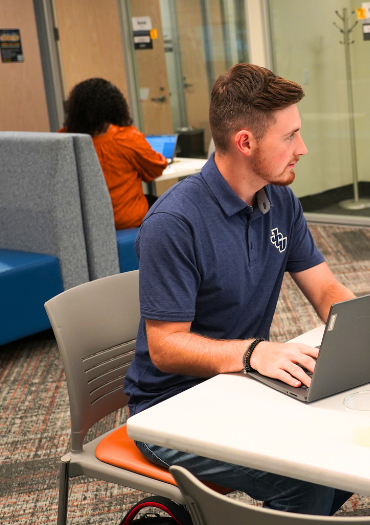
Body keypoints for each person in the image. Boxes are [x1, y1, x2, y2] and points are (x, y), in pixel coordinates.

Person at [124, 63, 355, 515]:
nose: (302, 148)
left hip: (243, 386)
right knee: (305, 480)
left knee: (346, 450)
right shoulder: (175, 223)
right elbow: (165, 347)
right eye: (289, 137)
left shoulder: (279, 199)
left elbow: (325, 288)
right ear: (245, 142)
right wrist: (253, 353)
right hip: (169, 409)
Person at [60, 78, 168, 229]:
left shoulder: (62, 140)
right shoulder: (125, 138)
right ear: (115, 108)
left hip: (83, 224)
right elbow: (155, 169)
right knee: (166, 206)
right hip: (124, 220)